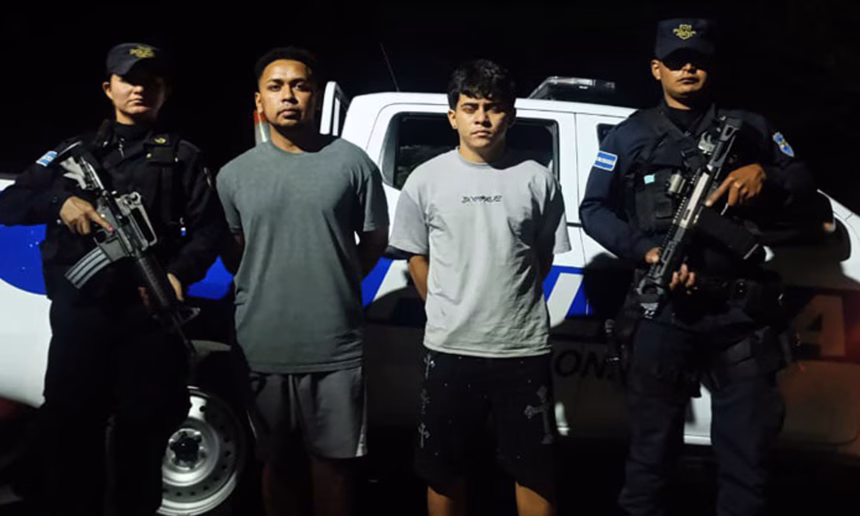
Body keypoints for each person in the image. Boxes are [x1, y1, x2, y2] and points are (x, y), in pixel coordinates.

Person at [580, 18, 822, 516]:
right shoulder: (630, 136)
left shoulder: (750, 127)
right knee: (650, 459)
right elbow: (594, 209)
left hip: (738, 314)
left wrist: (765, 174)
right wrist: (647, 252)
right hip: (663, 311)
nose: (687, 69)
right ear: (657, 69)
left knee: (747, 462)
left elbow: (801, 178)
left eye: (697, 61)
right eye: (676, 61)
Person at [0, 43, 225, 515]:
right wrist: (59, 203)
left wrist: (178, 274)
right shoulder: (72, 154)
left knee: (143, 436)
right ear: (109, 88)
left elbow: (209, 230)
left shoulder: (182, 157)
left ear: (165, 91)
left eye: (151, 81)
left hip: (148, 319)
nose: (140, 88)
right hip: (82, 319)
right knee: (70, 432)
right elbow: (10, 204)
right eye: (129, 79)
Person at [389, 59, 571, 516]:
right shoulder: (424, 179)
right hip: (449, 348)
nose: (482, 118)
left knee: (535, 470)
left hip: (522, 349)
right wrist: (445, 308)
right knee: (443, 469)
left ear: (511, 115)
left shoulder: (538, 179)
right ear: (453, 116)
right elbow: (415, 255)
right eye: (470, 108)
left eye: (493, 107)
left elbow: (543, 256)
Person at [216, 47, 389, 516]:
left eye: (300, 86)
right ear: (259, 100)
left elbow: (375, 238)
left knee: (333, 469)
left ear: (315, 96)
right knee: (277, 466)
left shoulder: (352, 163)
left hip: (335, 347)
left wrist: (339, 278)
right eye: (276, 87)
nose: (289, 96)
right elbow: (235, 252)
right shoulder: (233, 175)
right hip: (261, 344)